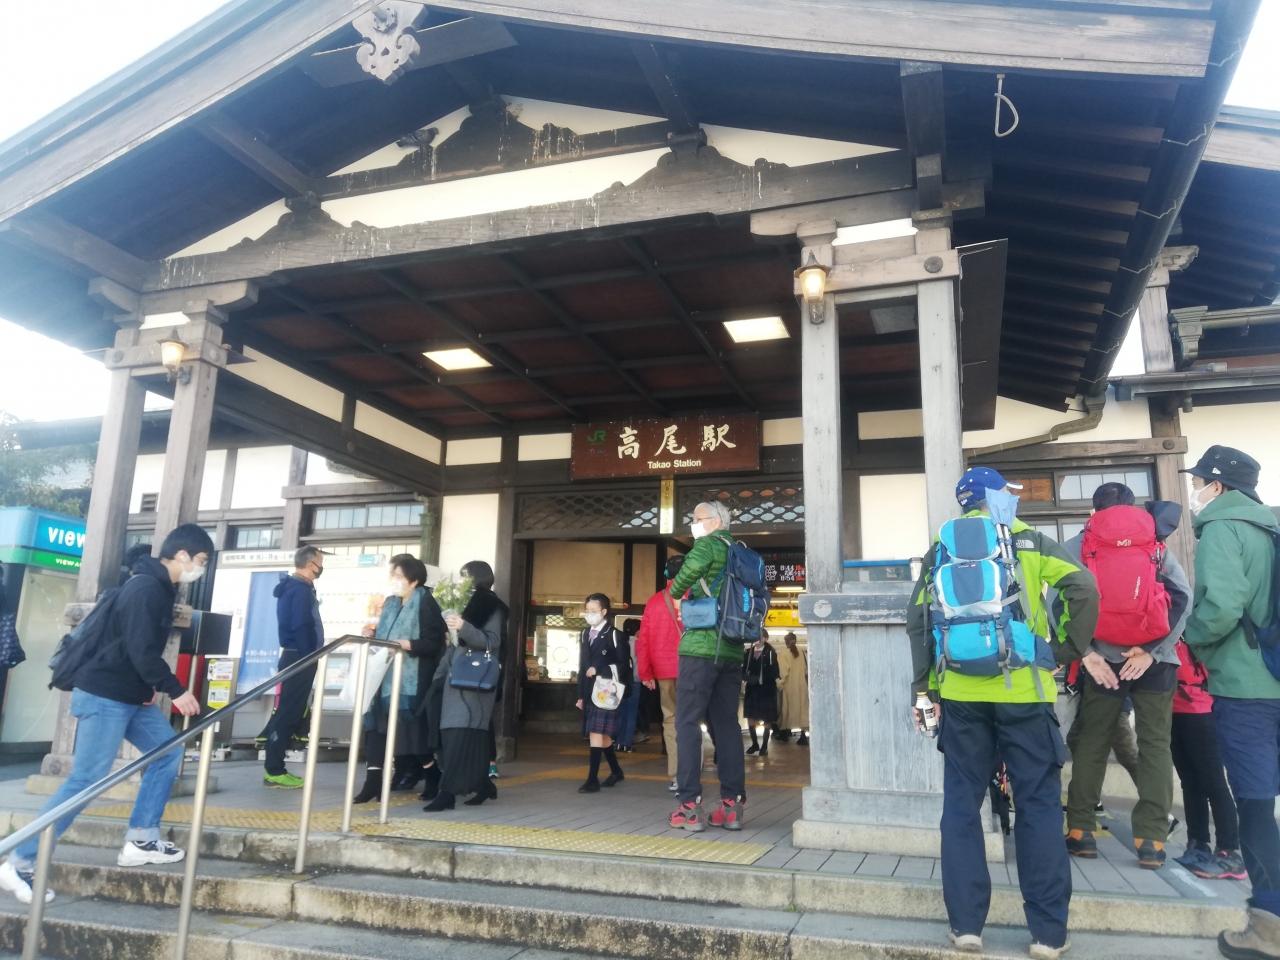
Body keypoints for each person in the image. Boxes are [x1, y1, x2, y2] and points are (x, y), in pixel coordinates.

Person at [907, 467, 1099, 959]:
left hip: (961, 695)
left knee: (961, 809)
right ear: (995, 497)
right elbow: (1086, 589)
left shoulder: (940, 548)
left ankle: (967, 928)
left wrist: (924, 685)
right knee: (1036, 806)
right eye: (1006, 493)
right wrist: (1062, 650)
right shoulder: (1028, 541)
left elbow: (918, 618)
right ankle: (1048, 934)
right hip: (1024, 693)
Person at [0, 524, 210, 905]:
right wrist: (176, 691)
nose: (201, 568)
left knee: (167, 752)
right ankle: (20, 859)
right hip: (104, 696)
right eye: (201, 560)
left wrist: (147, 689)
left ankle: (141, 838)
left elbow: (131, 650)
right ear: (182, 555)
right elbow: (140, 649)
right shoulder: (146, 588)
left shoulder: (157, 587)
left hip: (128, 696)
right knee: (86, 779)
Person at [1178, 446, 1280, 959]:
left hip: (1247, 687)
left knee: (1257, 806)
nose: (1195, 491)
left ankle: (1268, 929)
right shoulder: (1274, 527)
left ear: (1218, 488)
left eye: (1200, 482)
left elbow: (1220, 608)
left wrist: (1190, 640)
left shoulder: (1223, 529)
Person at [1062, 483, 1191, 869]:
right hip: (1154, 661)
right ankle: (1150, 839)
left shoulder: (1079, 543)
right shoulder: (1154, 539)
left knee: (1093, 742)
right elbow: (1182, 596)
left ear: (1093, 510)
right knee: (1155, 745)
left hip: (1103, 659)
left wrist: (1086, 654)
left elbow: (1056, 601)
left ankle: (1081, 831)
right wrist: (1153, 652)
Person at [669, 501, 747, 833]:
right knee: (726, 725)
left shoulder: (708, 545)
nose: (694, 525)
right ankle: (731, 806)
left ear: (714, 522)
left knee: (686, 722)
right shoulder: (740, 550)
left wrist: (675, 590)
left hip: (700, 647)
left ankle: (688, 806)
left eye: (697, 519)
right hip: (730, 649)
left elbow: (685, 575)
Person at [352, 554, 446, 804]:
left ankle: (432, 774)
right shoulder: (390, 603)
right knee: (376, 727)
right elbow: (383, 637)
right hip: (383, 674)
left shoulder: (426, 602)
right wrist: (370, 633)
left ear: (413, 581)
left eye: (398, 576)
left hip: (413, 678)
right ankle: (373, 782)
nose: (393, 580)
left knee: (414, 732)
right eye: (391, 575)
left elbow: (433, 642)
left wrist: (408, 644)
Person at [425, 560, 506, 811]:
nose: (461, 582)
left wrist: (463, 626)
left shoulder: (492, 606)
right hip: (454, 677)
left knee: (460, 734)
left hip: (475, 681)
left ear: (477, 579)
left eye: (464, 577)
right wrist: (438, 676)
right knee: (466, 736)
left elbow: (492, 642)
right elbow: (454, 646)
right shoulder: (464, 605)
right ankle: (483, 785)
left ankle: (447, 793)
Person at [1171, 638, 1244, 880]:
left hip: (1200, 709)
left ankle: (1229, 851)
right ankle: (1198, 843)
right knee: (1190, 782)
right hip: (1174, 708)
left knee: (1213, 781)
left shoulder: (1196, 624)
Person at [262, 546, 327, 789]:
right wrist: (309, 655)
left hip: (294, 655)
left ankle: (274, 765)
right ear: (311, 564)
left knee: (290, 709)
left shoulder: (295, 587)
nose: (321, 567)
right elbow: (301, 624)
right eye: (320, 562)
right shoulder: (300, 590)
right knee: (289, 711)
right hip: (300, 657)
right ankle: (274, 769)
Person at [637, 555, 685, 792]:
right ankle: (691, 772)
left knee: (671, 720)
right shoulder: (698, 598)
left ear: (667, 573)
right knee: (693, 720)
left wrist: (645, 673)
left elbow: (643, 640)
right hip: (692, 668)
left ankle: (677, 775)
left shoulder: (654, 602)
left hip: (664, 671)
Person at [574, 594, 628, 791]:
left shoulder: (615, 635)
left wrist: (599, 669)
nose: (589, 615)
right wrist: (580, 694)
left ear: (604, 612)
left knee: (596, 732)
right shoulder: (584, 633)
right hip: (590, 691)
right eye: (587, 611)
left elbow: (624, 665)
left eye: (593, 611)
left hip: (606, 690)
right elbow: (582, 666)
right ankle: (616, 771)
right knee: (602, 737)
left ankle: (592, 779)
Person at [742, 632, 780, 756]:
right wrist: (748, 678)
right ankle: (754, 744)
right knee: (750, 717)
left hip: (767, 690)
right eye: (755, 638)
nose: (757, 640)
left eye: (760, 637)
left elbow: (775, 671)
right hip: (752, 689)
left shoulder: (771, 652)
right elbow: (743, 670)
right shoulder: (748, 653)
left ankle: (764, 746)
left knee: (767, 718)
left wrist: (762, 678)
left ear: (765, 638)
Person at [614, 618, 643, 751]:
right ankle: (627, 744)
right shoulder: (639, 643)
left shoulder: (620, 642)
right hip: (635, 681)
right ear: (637, 630)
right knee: (631, 713)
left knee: (620, 712)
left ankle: (619, 742)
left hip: (620, 682)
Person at [778, 632, 810, 746]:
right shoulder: (802, 652)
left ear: (786, 641)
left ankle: (785, 733)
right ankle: (803, 736)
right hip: (802, 686)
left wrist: (779, 684)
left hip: (789, 687)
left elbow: (783, 673)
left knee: (787, 710)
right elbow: (806, 670)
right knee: (803, 711)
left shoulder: (783, 653)